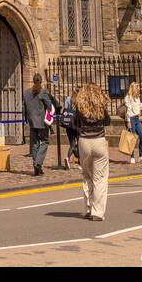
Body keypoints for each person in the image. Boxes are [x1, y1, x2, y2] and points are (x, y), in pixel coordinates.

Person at [73, 82, 111, 220]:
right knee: (100, 178)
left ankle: (89, 207)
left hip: (84, 142)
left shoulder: (80, 107)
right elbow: (107, 121)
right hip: (99, 141)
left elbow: (74, 123)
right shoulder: (101, 106)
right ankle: (97, 212)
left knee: (87, 175)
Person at [22, 72, 53, 175]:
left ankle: (36, 166)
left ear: (33, 80)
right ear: (41, 81)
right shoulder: (43, 92)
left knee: (34, 144)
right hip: (41, 122)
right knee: (45, 141)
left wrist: (26, 118)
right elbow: (49, 106)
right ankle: (38, 163)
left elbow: (24, 108)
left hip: (31, 121)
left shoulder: (26, 93)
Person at [122, 81, 142, 164]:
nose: (139, 89)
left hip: (137, 119)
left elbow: (139, 107)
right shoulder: (128, 97)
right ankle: (132, 157)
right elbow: (128, 110)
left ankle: (141, 156)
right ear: (133, 88)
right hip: (131, 119)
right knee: (132, 138)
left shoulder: (137, 97)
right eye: (137, 87)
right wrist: (128, 121)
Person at [61, 92, 80, 169]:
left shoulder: (68, 99)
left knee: (72, 143)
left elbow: (65, 109)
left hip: (68, 125)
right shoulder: (79, 100)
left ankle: (68, 158)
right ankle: (79, 162)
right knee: (79, 143)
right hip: (76, 125)